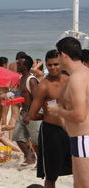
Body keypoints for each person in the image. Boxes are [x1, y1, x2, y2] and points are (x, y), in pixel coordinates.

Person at [25, 50, 72, 188]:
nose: (52, 68)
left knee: (79, 168)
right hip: (51, 132)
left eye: (56, 64)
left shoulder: (70, 81)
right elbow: (31, 115)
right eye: (49, 65)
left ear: (61, 64)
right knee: (51, 175)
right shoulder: (44, 86)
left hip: (70, 130)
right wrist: (47, 115)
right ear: (46, 65)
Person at [47, 37, 89, 187]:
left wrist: (58, 111)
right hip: (80, 138)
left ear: (63, 55)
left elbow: (80, 115)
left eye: (58, 55)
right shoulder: (83, 73)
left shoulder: (77, 78)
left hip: (83, 138)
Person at [10, 54, 40, 165]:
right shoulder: (21, 78)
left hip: (32, 113)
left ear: (26, 66)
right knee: (18, 136)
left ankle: (40, 162)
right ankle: (29, 158)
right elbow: (24, 94)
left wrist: (31, 114)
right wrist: (12, 95)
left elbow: (37, 99)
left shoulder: (31, 80)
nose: (16, 65)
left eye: (19, 63)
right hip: (23, 112)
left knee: (36, 141)